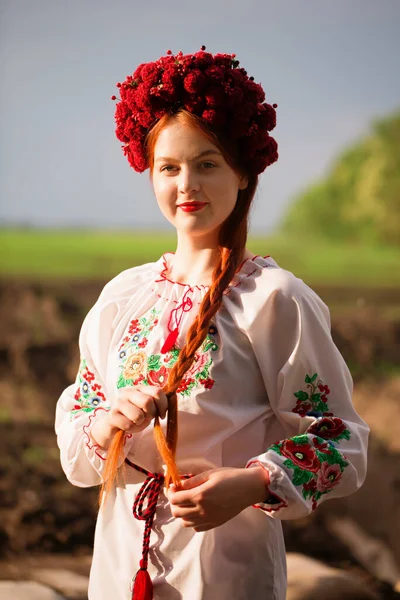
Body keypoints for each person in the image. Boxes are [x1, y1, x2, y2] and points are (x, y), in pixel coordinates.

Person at [55, 47, 369, 600]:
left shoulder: (274, 300)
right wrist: (107, 424)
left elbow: (342, 441)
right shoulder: (122, 298)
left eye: (207, 164)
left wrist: (252, 483)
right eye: (168, 168)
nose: (186, 185)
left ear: (243, 171)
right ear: (149, 175)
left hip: (226, 570)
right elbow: (78, 440)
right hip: (121, 560)